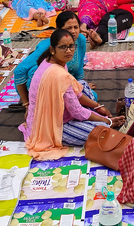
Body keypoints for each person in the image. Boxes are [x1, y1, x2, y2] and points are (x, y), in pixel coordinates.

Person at [19, 29, 124, 159]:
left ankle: (96, 119)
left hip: (58, 112)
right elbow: (77, 112)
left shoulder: (53, 61)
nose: (68, 51)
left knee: (82, 85)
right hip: (48, 127)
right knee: (102, 130)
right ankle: (102, 123)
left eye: (71, 46)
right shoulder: (58, 74)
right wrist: (106, 120)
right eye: (63, 47)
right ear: (52, 49)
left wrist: (98, 106)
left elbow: (76, 93)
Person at [14, 11, 92, 107]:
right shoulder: (48, 46)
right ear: (58, 30)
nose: (73, 31)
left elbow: (79, 68)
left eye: (76, 27)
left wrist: (81, 84)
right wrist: (26, 104)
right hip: (43, 87)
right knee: (68, 107)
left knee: (91, 97)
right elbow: (19, 70)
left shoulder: (80, 39)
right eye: (68, 28)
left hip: (65, 84)